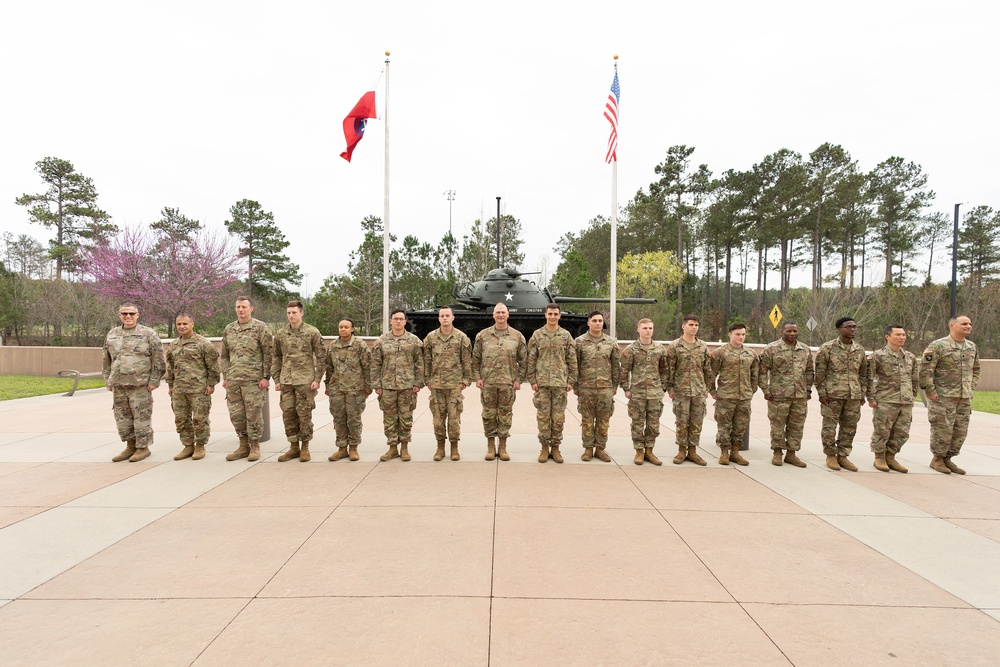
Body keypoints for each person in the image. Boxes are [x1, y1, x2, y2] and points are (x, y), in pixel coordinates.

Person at [103, 303, 165, 462]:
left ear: (137, 315)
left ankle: (143, 448)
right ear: (119, 315)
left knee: (141, 417)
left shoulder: (148, 334)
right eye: (124, 314)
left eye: (131, 313)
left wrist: (154, 380)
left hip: (140, 384)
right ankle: (130, 446)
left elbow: (158, 359)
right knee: (122, 418)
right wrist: (108, 380)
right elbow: (106, 359)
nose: (128, 316)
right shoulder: (112, 334)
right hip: (119, 384)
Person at [919, 315, 980, 475]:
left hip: (963, 398)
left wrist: (970, 387)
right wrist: (930, 391)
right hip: (942, 397)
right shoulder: (938, 346)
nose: (968, 326)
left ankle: (948, 458)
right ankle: (937, 459)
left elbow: (976, 369)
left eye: (970, 324)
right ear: (952, 325)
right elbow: (925, 370)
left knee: (960, 431)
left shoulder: (972, 346)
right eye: (964, 323)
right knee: (942, 429)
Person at [220, 296, 274, 462]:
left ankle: (255, 445)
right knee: (236, 414)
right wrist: (226, 376)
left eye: (244, 307)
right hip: (234, 380)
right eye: (238, 307)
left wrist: (266, 377)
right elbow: (225, 355)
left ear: (251, 309)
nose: (240, 310)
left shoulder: (260, 328)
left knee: (254, 414)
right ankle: (243, 445)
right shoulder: (229, 329)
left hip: (253, 380)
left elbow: (268, 353)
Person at [472, 303, 527, 461]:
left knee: (505, 415)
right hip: (488, 383)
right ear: (493, 315)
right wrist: (477, 377)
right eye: (498, 313)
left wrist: (519, 379)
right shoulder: (483, 335)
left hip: (508, 383)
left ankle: (502, 447)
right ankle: (490, 447)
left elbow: (524, 361)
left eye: (503, 312)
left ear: (508, 314)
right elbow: (475, 359)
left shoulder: (517, 336)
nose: (501, 315)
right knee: (488, 415)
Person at [272, 300, 326, 463]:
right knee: (288, 414)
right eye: (288, 312)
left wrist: (317, 379)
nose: (291, 315)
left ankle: (305, 447)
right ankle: (293, 447)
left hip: (305, 381)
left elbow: (321, 357)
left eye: (294, 312)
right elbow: (276, 357)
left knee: (304, 414)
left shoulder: (312, 332)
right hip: (286, 381)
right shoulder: (281, 334)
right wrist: (277, 378)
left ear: (301, 313)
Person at [814, 317, 869, 472]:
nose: (852, 329)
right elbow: (820, 373)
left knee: (850, 427)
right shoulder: (828, 348)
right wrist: (822, 393)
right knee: (829, 427)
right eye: (849, 327)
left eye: (854, 327)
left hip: (853, 395)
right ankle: (830, 455)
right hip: (832, 395)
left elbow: (864, 374)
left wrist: (862, 393)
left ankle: (843, 455)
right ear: (839, 329)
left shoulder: (859, 349)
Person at [164, 313, 220, 461]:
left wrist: (211, 384)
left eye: (185, 324)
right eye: (179, 324)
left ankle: (200, 445)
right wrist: (170, 385)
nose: (182, 327)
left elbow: (213, 366)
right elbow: (170, 367)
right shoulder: (174, 345)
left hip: (199, 389)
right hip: (179, 389)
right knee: (181, 419)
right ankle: (188, 446)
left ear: (192, 324)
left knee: (200, 419)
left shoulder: (204, 344)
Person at [527, 304, 577, 464]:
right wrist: (532, 380)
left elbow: (572, 360)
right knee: (543, 417)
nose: (553, 317)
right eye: (550, 314)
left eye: (556, 314)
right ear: (545, 315)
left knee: (558, 418)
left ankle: (555, 448)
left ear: (559, 316)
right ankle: (543, 448)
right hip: (542, 384)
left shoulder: (566, 336)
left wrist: (571, 381)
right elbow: (531, 359)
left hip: (560, 383)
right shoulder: (537, 335)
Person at [758, 322, 814, 468]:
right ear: (782, 331)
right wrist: (765, 390)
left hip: (799, 395)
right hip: (778, 395)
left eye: (795, 331)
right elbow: (762, 371)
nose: (792, 334)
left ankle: (791, 454)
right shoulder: (772, 348)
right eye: (789, 331)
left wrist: (808, 390)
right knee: (777, 424)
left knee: (797, 425)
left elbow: (808, 371)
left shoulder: (805, 349)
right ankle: (777, 452)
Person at [371, 309, 424, 461]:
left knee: (406, 418)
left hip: (407, 386)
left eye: (401, 319)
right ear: (391, 321)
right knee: (389, 418)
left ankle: (405, 448)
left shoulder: (414, 341)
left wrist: (418, 382)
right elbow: (375, 364)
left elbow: (419, 363)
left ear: (405, 321)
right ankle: (392, 447)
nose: (398, 321)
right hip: (387, 386)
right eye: (396, 319)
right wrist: (377, 384)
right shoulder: (382, 340)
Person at [423, 306, 473, 461]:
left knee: (454, 419)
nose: (444, 318)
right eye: (442, 316)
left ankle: (454, 448)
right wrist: (427, 380)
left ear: (453, 318)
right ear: (438, 318)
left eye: (447, 315)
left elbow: (466, 361)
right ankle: (440, 448)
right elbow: (427, 361)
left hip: (454, 385)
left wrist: (465, 380)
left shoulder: (461, 337)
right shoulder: (431, 338)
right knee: (438, 419)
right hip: (436, 386)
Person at [867, 325, 918, 473]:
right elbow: (869, 378)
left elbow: (914, 379)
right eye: (898, 335)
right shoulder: (878, 356)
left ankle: (891, 456)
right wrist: (871, 398)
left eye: (903, 334)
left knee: (902, 432)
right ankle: (879, 457)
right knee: (882, 430)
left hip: (905, 401)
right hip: (886, 400)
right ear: (887, 336)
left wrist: (912, 396)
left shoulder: (910, 357)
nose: (902, 337)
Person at [619, 318, 670, 465]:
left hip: (655, 393)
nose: (648, 331)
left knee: (653, 424)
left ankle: (649, 450)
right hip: (637, 393)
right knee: (637, 423)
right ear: (638, 329)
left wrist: (663, 387)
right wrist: (626, 388)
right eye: (645, 328)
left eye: (650, 328)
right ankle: (639, 451)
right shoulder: (630, 350)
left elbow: (664, 370)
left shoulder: (660, 349)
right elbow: (624, 371)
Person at [666, 314, 712, 466]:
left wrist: (707, 387)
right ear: (683, 326)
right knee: (681, 421)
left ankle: (693, 451)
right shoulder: (674, 346)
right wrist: (670, 388)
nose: (694, 328)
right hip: (681, 390)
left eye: (696, 325)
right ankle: (681, 450)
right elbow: (670, 369)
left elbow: (707, 369)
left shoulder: (703, 346)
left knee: (697, 422)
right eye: (691, 324)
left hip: (698, 390)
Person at [709, 322, 758, 466]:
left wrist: (751, 390)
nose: (741, 337)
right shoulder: (720, 353)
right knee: (724, 426)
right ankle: (724, 452)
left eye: (743, 334)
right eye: (737, 334)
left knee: (740, 425)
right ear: (730, 334)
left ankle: (735, 452)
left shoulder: (751, 353)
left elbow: (754, 374)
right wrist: (712, 391)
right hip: (726, 396)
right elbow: (712, 373)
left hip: (744, 397)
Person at [574, 311, 620, 462]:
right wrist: (576, 385)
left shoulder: (610, 342)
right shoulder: (579, 342)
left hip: (605, 387)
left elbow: (615, 365)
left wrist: (615, 385)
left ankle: (600, 449)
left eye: (600, 321)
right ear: (588, 323)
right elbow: (575, 365)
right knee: (587, 419)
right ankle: (588, 449)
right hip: (586, 387)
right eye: (594, 320)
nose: (598, 323)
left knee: (604, 420)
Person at [325, 319, 371, 462]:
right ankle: (341, 448)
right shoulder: (333, 346)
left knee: (354, 419)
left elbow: (367, 366)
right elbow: (329, 367)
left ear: (352, 329)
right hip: (337, 389)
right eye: (341, 327)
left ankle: (353, 448)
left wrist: (368, 386)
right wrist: (327, 385)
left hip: (355, 389)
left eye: (346, 327)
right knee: (338, 419)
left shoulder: (360, 345)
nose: (343, 329)